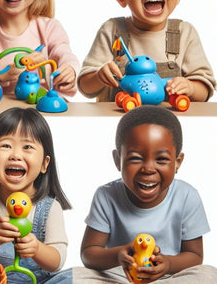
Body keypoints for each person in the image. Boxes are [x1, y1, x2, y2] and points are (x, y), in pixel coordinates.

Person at [74, 106, 217, 282]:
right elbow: (88, 254)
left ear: (177, 162)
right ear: (117, 160)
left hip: (169, 277)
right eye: (135, 158)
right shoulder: (106, 196)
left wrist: (168, 264)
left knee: (207, 274)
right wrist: (118, 255)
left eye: (162, 159)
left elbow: (195, 256)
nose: (148, 169)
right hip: (120, 276)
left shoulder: (187, 196)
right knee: (76, 275)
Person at [78, 0, 215, 103]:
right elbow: (85, 87)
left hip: (168, 120)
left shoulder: (184, 33)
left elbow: (205, 89)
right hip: (121, 116)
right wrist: (99, 76)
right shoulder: (112, 30)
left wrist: (191, 87)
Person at [0, 107, 72, 283]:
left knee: (76, 275)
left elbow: (57, 261)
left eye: (27, 147)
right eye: (6, 145)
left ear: (45, 164)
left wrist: (37, 248)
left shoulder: (51, 207)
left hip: (42, 281)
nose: (15, 155)